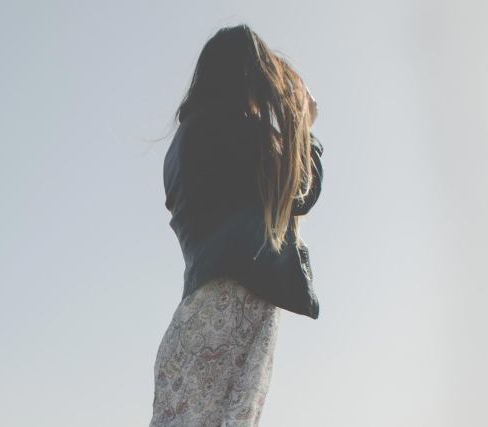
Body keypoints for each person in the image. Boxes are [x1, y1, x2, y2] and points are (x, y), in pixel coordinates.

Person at [151, 24, 324, 426]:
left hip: (192, 315)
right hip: (235, 312)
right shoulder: (237, 132)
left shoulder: (181, 147)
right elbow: (300, 191)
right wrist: (307, 132)